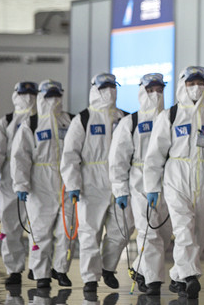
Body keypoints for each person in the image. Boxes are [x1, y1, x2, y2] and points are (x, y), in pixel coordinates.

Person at [143, 66, 204, 299]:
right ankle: (191, 276)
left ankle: (178, 276)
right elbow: (155, 154)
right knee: (183, 228)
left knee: (200, 233)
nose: (196, 87)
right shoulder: (169, 116)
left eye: (200, 83)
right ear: (183, 85)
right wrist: (152, 186)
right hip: (176, 175)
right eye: (191, 83)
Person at [109, 73, 178, 296]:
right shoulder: (132, 122)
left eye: (159, 89)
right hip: (139, 182)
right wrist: (120, 189)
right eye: (150, 90)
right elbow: (118, 158)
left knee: (165, 232)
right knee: (149, 231)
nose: (155, 94)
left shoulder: (171, 118)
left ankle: (140, 269)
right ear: (142, 91)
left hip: (168, 180)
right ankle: (153, 281)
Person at [60, 73, 129, 293]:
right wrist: (73, 184)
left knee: (122, 230)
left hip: (120, 181)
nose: (109, 90)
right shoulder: (83, 119)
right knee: (90, 232)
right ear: (94, 89)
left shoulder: (125, 118)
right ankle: (90, 278)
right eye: (104, 86)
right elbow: (70, 154)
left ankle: (108, 267)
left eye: (112, 85)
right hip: (91, 181)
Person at [10, 80, 75, 289]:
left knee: (67, 230)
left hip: (66, 182)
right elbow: (20, 156)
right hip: (40, 184)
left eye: (57, 95)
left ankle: (60, 269)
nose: (53, 99)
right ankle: (41, 275)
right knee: (40, 232)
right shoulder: (32, 124)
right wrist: (21, 184)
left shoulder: (70, 121)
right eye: (49, 95)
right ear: (41, 97)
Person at [0, 81, 38, 285]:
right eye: (25, 93)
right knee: (10, 226)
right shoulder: (5, 123)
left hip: (38, 183)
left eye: (33, 92)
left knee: (38, 227)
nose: (29, 96)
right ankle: (14, 270)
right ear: (16, 95)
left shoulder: (43, 121)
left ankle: (37, 267)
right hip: (9, 183)